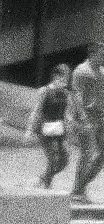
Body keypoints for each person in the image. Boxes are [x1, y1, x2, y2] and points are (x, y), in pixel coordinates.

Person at [68, 42, 104, 202]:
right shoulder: (81, 71)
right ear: (92, 54)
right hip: (85, 118)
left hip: (99, 117)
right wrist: (82, 117)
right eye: (101, 54)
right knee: (87, 153)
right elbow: (77, 96)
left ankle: (80, 187)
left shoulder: (102, 71)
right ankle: (78, 191)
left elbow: (103, 93)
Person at [27, 62, 73, 190]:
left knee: (64, 160)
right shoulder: (44, 91)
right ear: (55, 76)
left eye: (67, 77)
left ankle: (43, 179)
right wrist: (29, 130)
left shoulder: (65, 93)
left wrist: (70, 123)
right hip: (44, 129)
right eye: (64, 77)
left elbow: (67, 113)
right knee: (53, 159)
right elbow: (37, 110)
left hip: (59, 129)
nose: (66, 80)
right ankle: (46, 186)